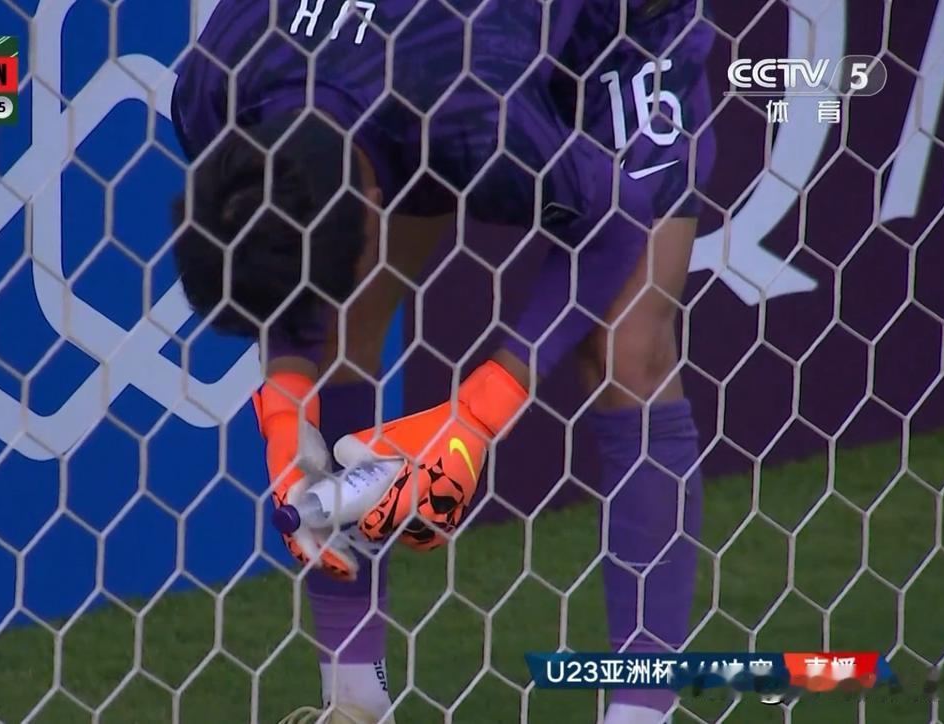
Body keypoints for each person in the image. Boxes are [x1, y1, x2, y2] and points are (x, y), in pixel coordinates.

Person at [170, 1, 716, 722]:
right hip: (424, 64)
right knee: (336, 332)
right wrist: (287, 409)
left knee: (627, 350)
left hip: (611, 31)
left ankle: (641, 711)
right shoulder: (212, 85)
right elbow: (277, 238)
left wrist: (478, 415)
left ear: (374, 203)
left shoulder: (471, 110)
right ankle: (354, 700)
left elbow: (616, 219)